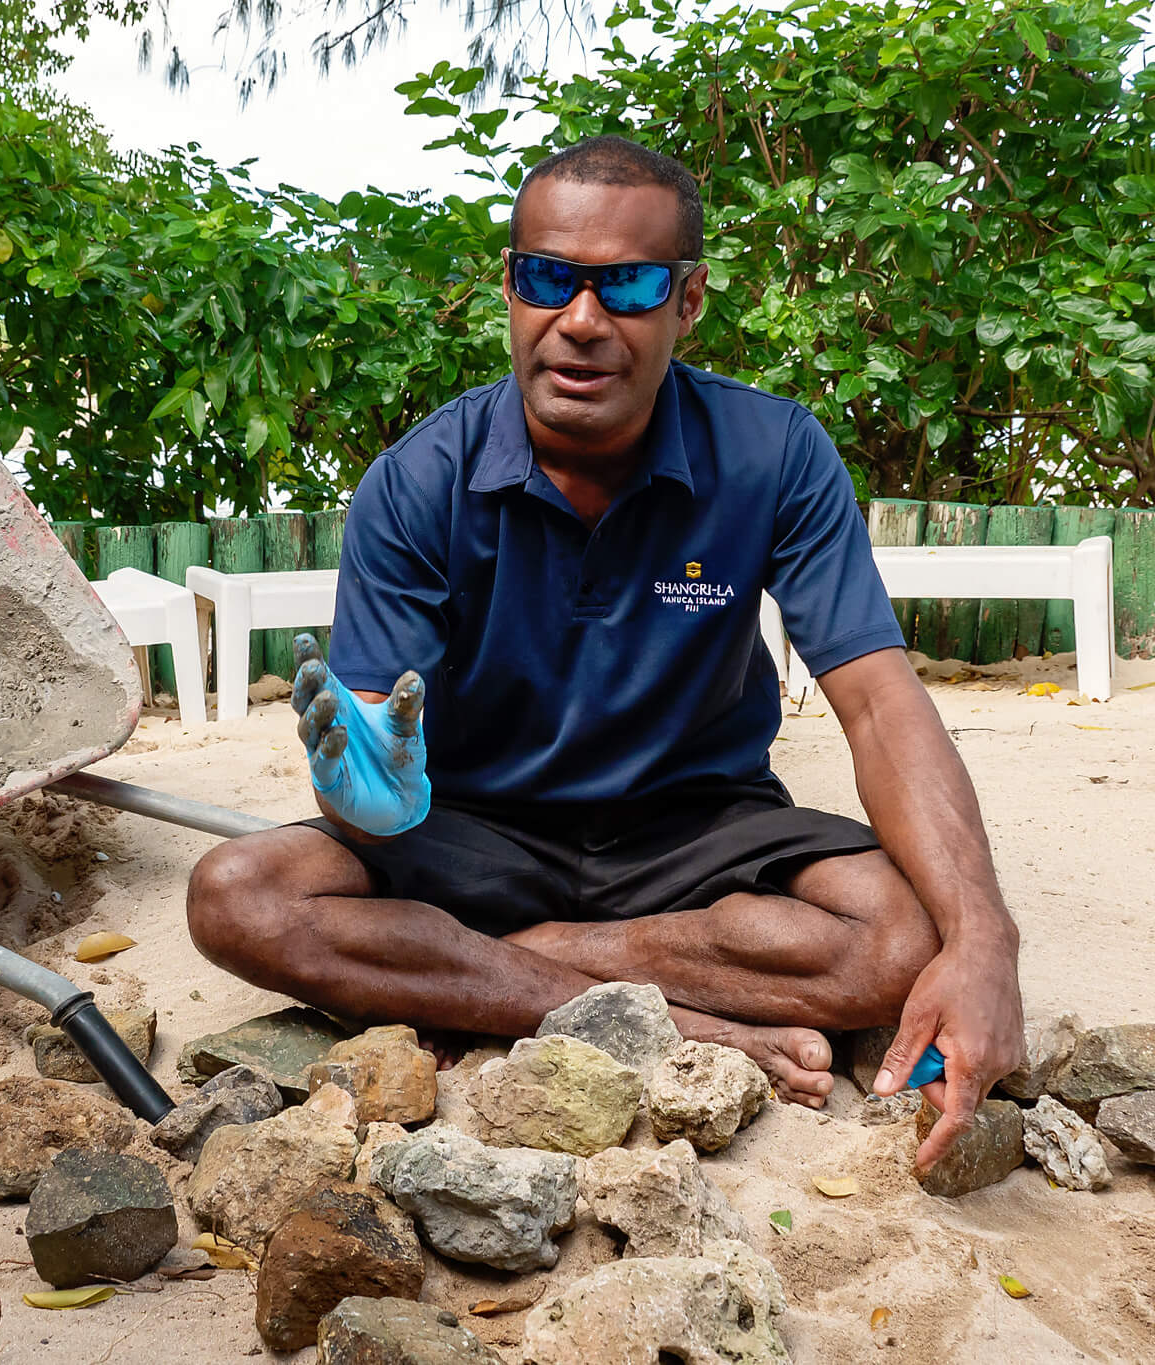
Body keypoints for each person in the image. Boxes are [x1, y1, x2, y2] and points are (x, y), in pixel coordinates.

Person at [186, 135, 1023, 1166]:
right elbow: (365, 743)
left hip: (693, 829)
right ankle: (689, 1027)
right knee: (237, 896)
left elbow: (879, 704)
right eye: (547, 277)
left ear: (688, 301)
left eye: (624, 286)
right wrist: (367, 802)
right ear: (509, 285)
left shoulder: (774, 454)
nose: (579, 323)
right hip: (473, 831)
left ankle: (500, 972)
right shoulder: (416, 481)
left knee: (897, 940)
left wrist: (986, 942)